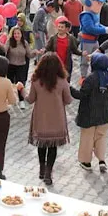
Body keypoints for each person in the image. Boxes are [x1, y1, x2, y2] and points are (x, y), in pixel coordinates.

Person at [20, 53, 73, 186]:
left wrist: (22, 92)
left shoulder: (36, 81)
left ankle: (42, 169)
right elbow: (68, 100)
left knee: (42, 145)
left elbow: (30, 99)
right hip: (57, 119)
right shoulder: (62, 81)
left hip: (40, 118)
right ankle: (49, 173)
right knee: (53, 147)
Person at [70, 52, 108, 173]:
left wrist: (69, 88)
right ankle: (102, 160)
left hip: (89, 113)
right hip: (105, 114)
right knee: (101, 137)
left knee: (87, 138)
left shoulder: (91, 78)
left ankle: (86, 162)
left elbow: (81, 95)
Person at [5, 26, 39, 109]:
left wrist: (35, 52)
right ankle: (9, 99)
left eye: (18, 33)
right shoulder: (9, 41)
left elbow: (29, 54)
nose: (16, 35)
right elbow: (4, 50)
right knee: (9, 83)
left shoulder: (25, 43)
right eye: (15, 33)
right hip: (11, 65)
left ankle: (21, 100)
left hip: (21, 65)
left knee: (20, 83)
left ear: (21, 34)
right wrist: (1, 46)